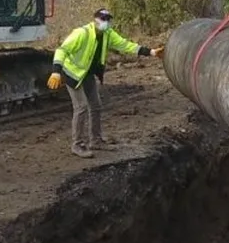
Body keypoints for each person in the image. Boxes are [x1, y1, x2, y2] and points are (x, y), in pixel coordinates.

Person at [47, 9, 163, 158]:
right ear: (95, 19)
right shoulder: (82, 33)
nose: (106, 22)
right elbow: (62, 50)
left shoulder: (108, 34)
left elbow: (125, 45)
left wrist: (151, 52)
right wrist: (56, 71)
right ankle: (78, 144)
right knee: (81, 107)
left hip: (87, 74)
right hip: (72, 74)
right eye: (103, 19)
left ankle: (96, 140)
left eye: (108, 19)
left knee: (95, 105)